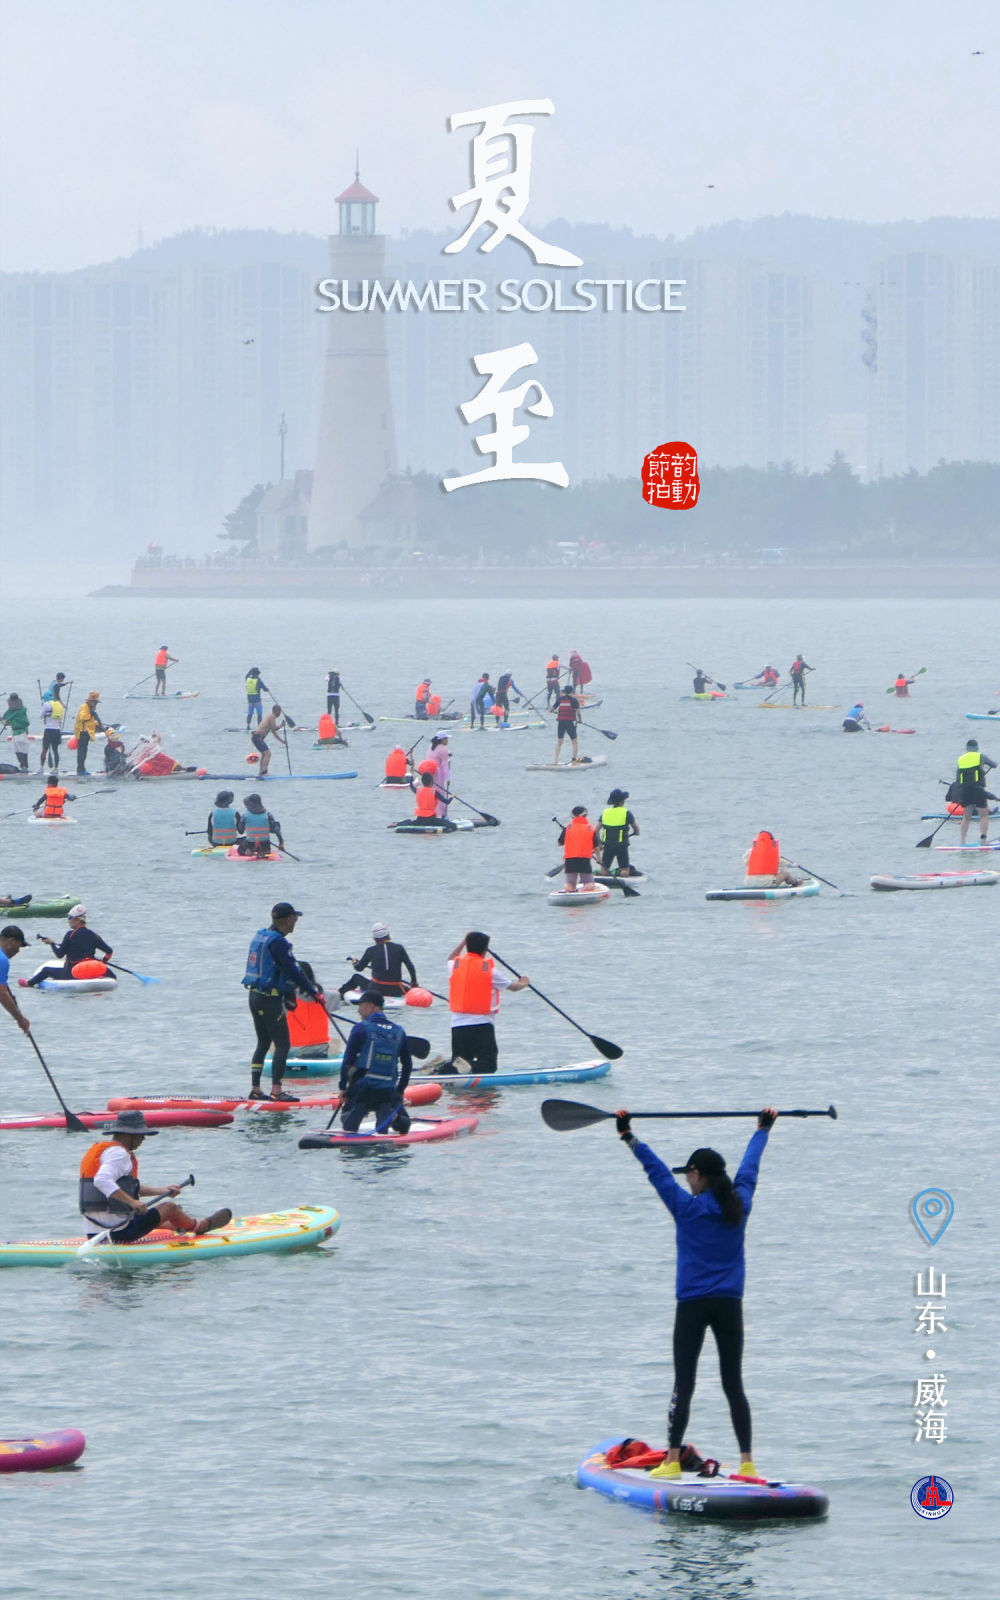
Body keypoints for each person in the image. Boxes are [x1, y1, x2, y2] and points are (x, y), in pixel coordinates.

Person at [614, 1106, 778, 1478]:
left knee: (684, 1383)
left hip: (692, 1305)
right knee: (733, 1383)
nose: (686, 1181)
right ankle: (748, 1463)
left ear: (698, 1175)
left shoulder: (685, 1208)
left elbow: (656, 1172)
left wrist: (629, 1137)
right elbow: (750, 1168)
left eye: (689, 1174)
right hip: (729, 1305)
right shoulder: (740, 1205)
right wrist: (763, 1129)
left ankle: (672, 1461)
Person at [79, 1109, 231, 1242]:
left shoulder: (104, 1152)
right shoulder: (119, 1154)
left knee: (164, 1214)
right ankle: (201, 1226)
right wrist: (133, 1203)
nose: (143, 1139)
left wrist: (162, 1191)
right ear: (128, 1135)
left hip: (94, 1233)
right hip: (118, 1232)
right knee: (170, 1208)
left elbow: (127, 1188)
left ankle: (179, 1226)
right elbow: (102, 1181)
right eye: (140, 1135)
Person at [242, 901, 321, 1101]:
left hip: (255, 996)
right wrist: (313, 992)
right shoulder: (279, 943)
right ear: (286, 920)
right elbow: (293, 971)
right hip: (269, 1000)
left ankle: (255, 1089)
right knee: (283, 1044)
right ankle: (276, 1091)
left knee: (263, 1042)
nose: (296, 921)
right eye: (294, 918)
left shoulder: (262, 936)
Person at [438, 931, 529, 1075]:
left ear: (467, 946)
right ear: (485, 950)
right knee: (488, 1065)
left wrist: (463, 942)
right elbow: (513, 987)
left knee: (460, 1062)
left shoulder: (455, 966)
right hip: (482, 1025)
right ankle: (457, 1068)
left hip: (457, 1026)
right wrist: (524, 982)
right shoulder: (490, 971)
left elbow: (450, 958)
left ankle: (443, 1069)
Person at [338, 991, 413, 1134]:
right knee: (404, 1125)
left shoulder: (360, 1028)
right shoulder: (399, 1031)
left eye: (361, 1006)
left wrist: (343, 1088)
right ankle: (393, 1116)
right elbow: (407, 1065)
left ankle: (357, 1114)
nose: (359, 1011)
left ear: (371, 1006)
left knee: (347, 1124)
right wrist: (399, 1091)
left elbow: (347, 1060)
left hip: (362, 1091)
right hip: (387, 1092)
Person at [25, 904, 115, 987]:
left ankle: (28, 983)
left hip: (73, 973)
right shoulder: (94, 935)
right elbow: (109, 952)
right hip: (91, 970)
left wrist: (52, 944)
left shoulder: (70, 935)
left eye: (69, 918)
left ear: (77, 920)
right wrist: (102, 962)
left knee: (46, 970)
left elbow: (59, 955)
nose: (68, 920)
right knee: (113, 976)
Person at [340, 922, 418, 1002]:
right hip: (396, 990)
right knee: (405, 986)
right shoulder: (400, 948)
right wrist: (414, 982)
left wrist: (354, 962)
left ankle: (339, 995)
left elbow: (359, 968)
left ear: (374, 938)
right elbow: (410, 967)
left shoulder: (370, 950)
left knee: (356, 977)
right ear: (388, 934)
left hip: (376, 990)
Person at [951, 739, 997, 845]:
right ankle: (983, 840)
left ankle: (962, 841)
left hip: (964, 790)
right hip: (977, 789)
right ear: (977, 748)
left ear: (967, 748)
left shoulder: (961, 759)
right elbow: (994, 765)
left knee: (966, 816)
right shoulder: (980, 756)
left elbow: (958, 778)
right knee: (984, 815)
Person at [598, 789, 640, 875]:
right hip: (621, 845)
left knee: (604, 871)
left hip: (607, 845)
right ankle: (620, 872)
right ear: (622, 801)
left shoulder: (605, 813)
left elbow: (596, 830)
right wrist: (636, 832)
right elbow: (636, 828)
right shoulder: (626, 813)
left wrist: (599, 844)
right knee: (625, 871)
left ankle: (607, 874)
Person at [0, 925, 31, 1034]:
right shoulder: (2, 960)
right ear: (12, 941)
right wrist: (19, 1019)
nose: (18, 951)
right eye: (19, 946)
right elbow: (2, 994)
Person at [559, 806, 596, 890]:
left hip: (570, 860)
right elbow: (596, 846)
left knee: (570, 884)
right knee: (589, 884)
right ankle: (585, 891)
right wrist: (599, 858)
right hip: (584, 859)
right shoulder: (590, 828)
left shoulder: (567, 828)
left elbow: (560, 843)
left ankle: (569, 890)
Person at [239, 793, 283, 857]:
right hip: (265, 844)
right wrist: (281, 843)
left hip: (251, 844)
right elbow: (276, 830)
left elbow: (241, 831)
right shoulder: (268, 814)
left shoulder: (245, 816)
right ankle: (263, 852)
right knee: (265, 846)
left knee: (240, 849)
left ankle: (249, 852)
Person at [73, 691, 106, 777]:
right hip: (82, 731)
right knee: (81, 751)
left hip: (87, 732)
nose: (96, 704)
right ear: (91, 701)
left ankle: (83, 769)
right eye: (95, 702)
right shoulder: (84, 707)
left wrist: (99, 726)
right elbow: (83, 717)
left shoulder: (90, 708)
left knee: (85, 751)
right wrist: (91, 714)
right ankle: (80, 770)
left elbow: (91, 721)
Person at [251, 703, 287, 776]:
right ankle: (264, 772)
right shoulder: (272, 717)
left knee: (264, 754)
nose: (280, 714)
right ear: (276, 711)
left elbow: (273, 731)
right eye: (280, 712)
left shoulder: (270, 717)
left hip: (256, 737)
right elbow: (274, 729)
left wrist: (282, 741)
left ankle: (261, 772)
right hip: (257, 737)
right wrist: (281, 725)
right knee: (268, 754)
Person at [552, 683, 582, 765]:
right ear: (571, 692)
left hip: (561, 722)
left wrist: (554, 711)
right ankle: (574, 760)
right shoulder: (574, 700)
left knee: (559, 742)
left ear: (564, 692)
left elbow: (551, 709)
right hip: (569, 723)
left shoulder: (559, 699)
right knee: (574, 741)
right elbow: (578, 713)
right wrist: (580, 720)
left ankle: (556, 761)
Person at [2, 693, 30, 771]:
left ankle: (23, 767)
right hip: (24, 732)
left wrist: (6, 722)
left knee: (18, 751)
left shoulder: (11, 711)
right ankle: (25, 767)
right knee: (24, 750)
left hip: (17, 733)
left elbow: (5, 718)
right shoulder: (23, 709)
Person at [428, 732, 452, 817]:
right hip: (438, 774)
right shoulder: (443, 749)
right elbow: (445, 765)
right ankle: (441, 814)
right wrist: (448, 778)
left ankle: (432, 812)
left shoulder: (431, 747)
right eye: (446, 738)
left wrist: (447, 754)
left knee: (431, 793)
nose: (447, 740)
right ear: (442, 740)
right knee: (440, 793)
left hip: (429, 774)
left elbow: (435, 755)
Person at [38, 698, 64, 774]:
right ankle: (56, 768)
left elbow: (41, 716)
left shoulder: (46, 704)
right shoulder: (60, 705)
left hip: (48, 730)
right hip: (57, 730)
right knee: (55, 750)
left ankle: (41, 768)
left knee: (44, 749)